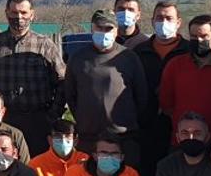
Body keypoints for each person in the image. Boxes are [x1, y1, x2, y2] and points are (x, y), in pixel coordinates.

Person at [131, 0, 192, 176]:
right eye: (159, 18)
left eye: (168, 18)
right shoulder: (139, 53)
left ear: (178, 23)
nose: (163, 23)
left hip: (184, 132)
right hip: (148, 134)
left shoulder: (190, 51)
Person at [0, 0, 66, 155]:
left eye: (23, 13)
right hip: (1, 120)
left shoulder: (45, 45)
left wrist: (52, 115)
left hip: (36, 120)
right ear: (6, 13)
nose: (19, 17)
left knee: (35, 169)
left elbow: (62, 82)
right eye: (14, 12)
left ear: (32, 15)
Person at [63, 9, 149, 157]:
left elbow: (141, 96)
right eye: (99, 28)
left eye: (108, 29)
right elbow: (71, 95)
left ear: (116, 31)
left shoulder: (128, 57)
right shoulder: (78, 59)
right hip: (88, 138)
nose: (104, 32)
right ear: (92, 28)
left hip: (123, 138)